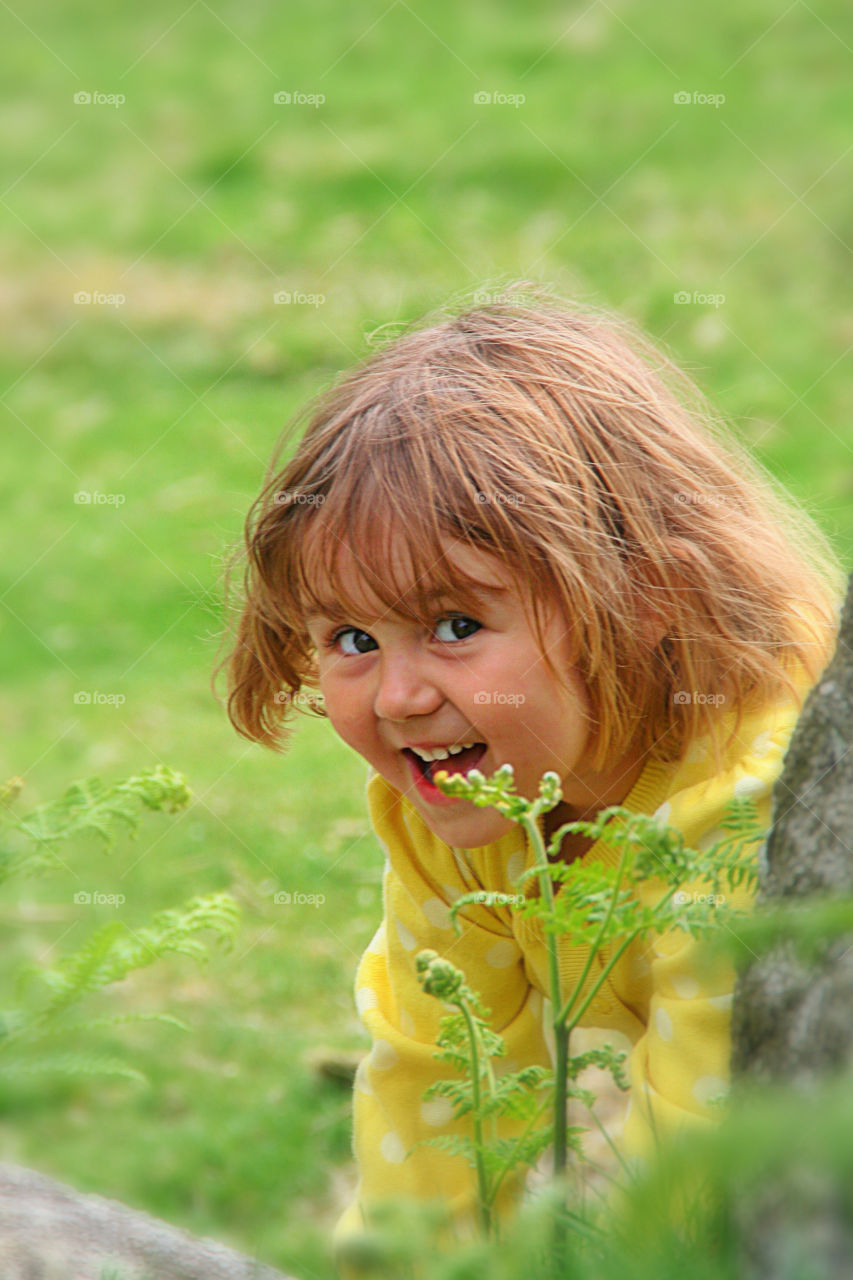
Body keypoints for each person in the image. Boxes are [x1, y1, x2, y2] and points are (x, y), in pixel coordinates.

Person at [216, 284, 844, 1269]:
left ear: (648, 598)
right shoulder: (456, 800)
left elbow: (691, 1169)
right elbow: (434, 1081)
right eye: (350, 637)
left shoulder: (739, 805)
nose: (397, 696)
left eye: (454, 625)